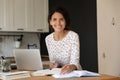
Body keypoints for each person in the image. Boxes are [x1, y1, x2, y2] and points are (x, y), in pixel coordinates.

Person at [45, 6, 82, 74]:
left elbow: (75, 63)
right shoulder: (48, 39)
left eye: (61, 19)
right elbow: (53, 61)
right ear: (50, 22)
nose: (58, 23)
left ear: (65, 22)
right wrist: (54, 65)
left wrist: (71, 67)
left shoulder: (73, 36)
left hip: (73, 74)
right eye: (54, 19)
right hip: (57, 74)